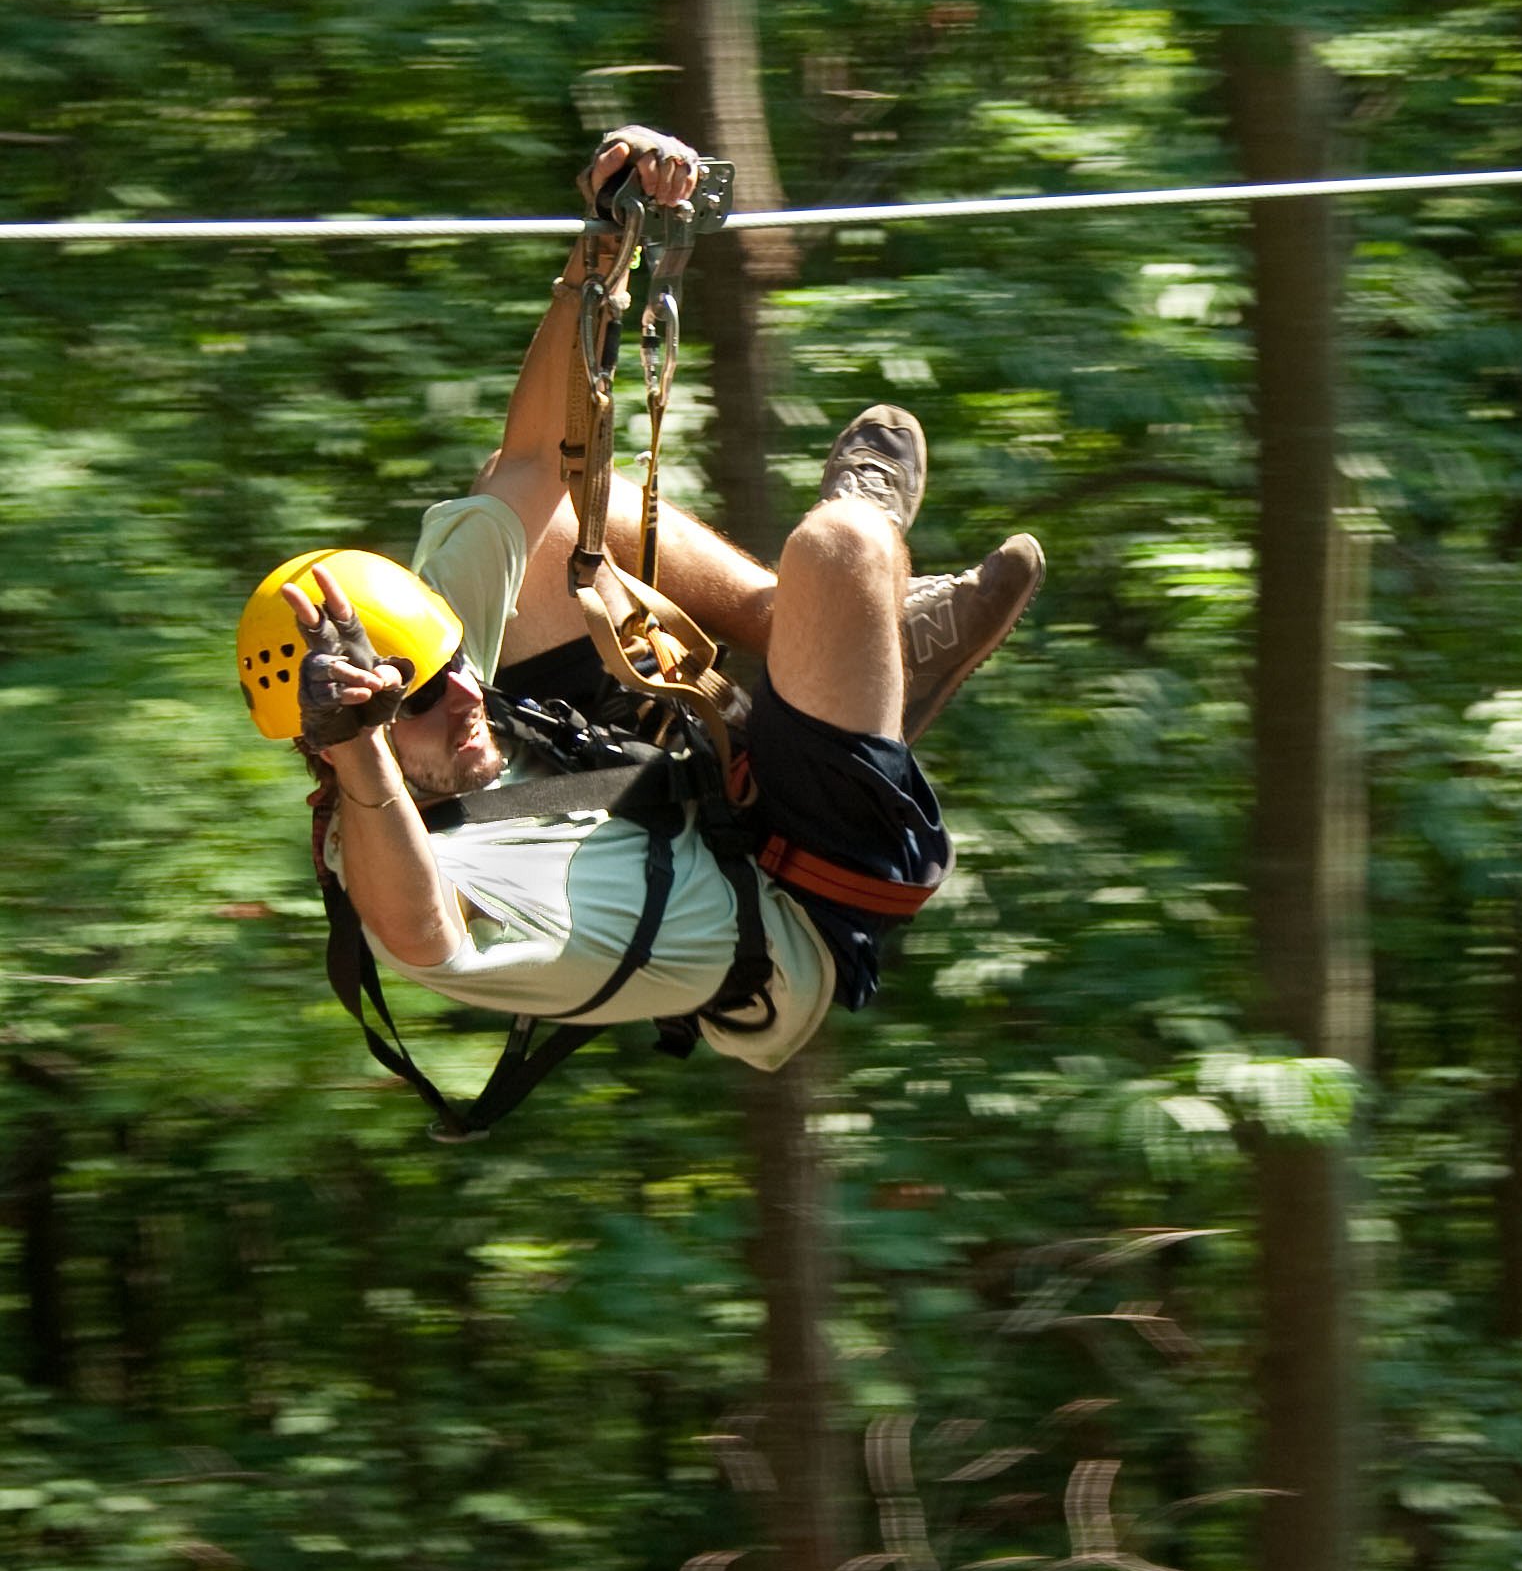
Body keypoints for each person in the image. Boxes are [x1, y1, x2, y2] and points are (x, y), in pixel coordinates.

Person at [235, 127, 1042, 1080]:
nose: (464, 696)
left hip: (694, 775)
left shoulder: (442, 675)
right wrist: (361, 745)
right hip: (798, 887)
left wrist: (610, 241)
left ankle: (819, 631)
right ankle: (856, 624)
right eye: (414, 703)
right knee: (843, 543)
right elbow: (422, 939)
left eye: (452, 668)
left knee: (541, 501)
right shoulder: (388, 858)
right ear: (328, 746)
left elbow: (541, 456)